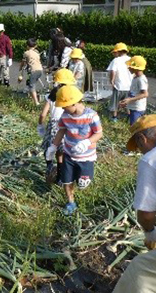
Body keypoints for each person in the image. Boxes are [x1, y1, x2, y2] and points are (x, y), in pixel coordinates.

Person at [113, 115, 156, 293]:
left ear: (142, 138)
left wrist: (151, 233)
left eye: (139, 148)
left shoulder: (153, 158)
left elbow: (146, 212)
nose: (141, 152)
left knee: (140, 272)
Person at [46, 85, 103, 215]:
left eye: (64, 106)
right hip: (68, 155)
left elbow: (99, 133)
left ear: (74, 103)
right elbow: (61, 131)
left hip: (86, 157)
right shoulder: (65, 116)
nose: (62, 108)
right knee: (67, 180)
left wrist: (86, 142)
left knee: (83, 183)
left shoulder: (91, 116)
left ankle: (82, 179)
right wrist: (53, 146)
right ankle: (71, 202)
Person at [38, 69, 77, 185]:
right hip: (67, 124)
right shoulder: (71, 95)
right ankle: (60, 177)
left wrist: (40, 125)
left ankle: (49, 167)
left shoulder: (52, 94)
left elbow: (43, 114)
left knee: (49, 149)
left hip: (54, 125)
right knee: (61, 153)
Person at [119, 56, 149, 126]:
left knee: (134, 128)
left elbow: (145, 94)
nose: (128, 68)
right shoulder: (136, 77)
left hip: (137, 108)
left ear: (136, 68)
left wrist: (130, 100)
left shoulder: (141, 79)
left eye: (130, 66)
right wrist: (126, 100)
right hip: (134, 107)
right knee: (134, 126)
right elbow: (134, 92)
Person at [107, 42, 132, 122]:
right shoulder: (131, 60)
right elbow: (134, 73)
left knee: (115, 102)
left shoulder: (116, 60)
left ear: (119, 51)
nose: (114, 54)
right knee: (127, 102)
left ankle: (114, 117)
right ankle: (129, 116)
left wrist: (112, 80)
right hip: (129, 86)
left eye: (115, 52)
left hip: (119, 85)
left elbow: (113, 71)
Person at [18, 38, 43, 106]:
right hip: (40, 70)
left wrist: (20, 69)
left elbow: (23, 62)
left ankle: (36, 103)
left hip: (33, 71)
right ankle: (31, 98)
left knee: (32, 86)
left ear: (27, 46)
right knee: (30, 83)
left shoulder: (26, 53)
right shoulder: (37, 52)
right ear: (35, 46)